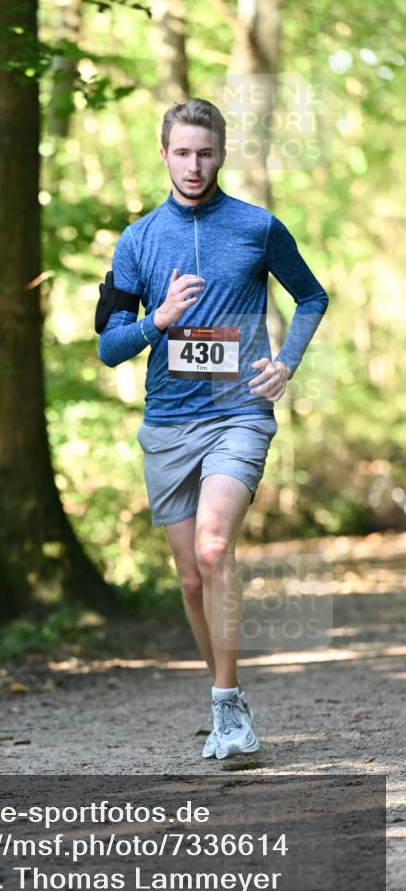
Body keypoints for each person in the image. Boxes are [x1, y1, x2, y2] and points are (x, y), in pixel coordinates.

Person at [97, 98, 329, 759]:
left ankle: (228, 710)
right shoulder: (137, 240)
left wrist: (285, 363)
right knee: (191, 581)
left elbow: (310, 296)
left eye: (204, 152)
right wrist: (156, 320)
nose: (193, 165)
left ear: (220, 154)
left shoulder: (257, 228)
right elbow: (108, 346)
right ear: (164, 154)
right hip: (168, 425)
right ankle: (224, 701)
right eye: (181, 152)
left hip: (237, 415)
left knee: (212, 546)